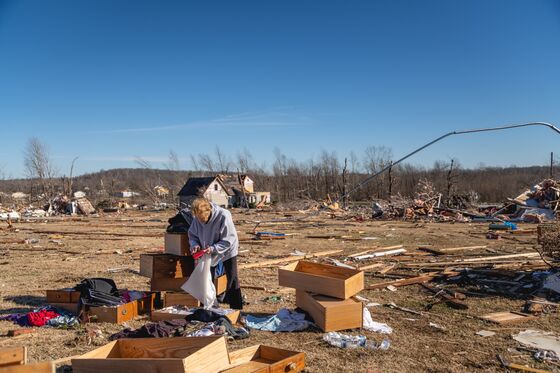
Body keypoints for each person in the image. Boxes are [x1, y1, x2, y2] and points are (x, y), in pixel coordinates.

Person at [188, 197, 243, 309]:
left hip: (227, 250)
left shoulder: (224, 215)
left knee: (232, 278)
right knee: (206, 278)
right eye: (199, 219)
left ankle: (236, 308)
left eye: (203, 219)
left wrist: (214, 248)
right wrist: (195, 245)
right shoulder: (197, 217)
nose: (201, 221)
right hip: (208, 250)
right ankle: (208, 307)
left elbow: (229, 239)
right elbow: (192, 235)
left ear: (209, 211)